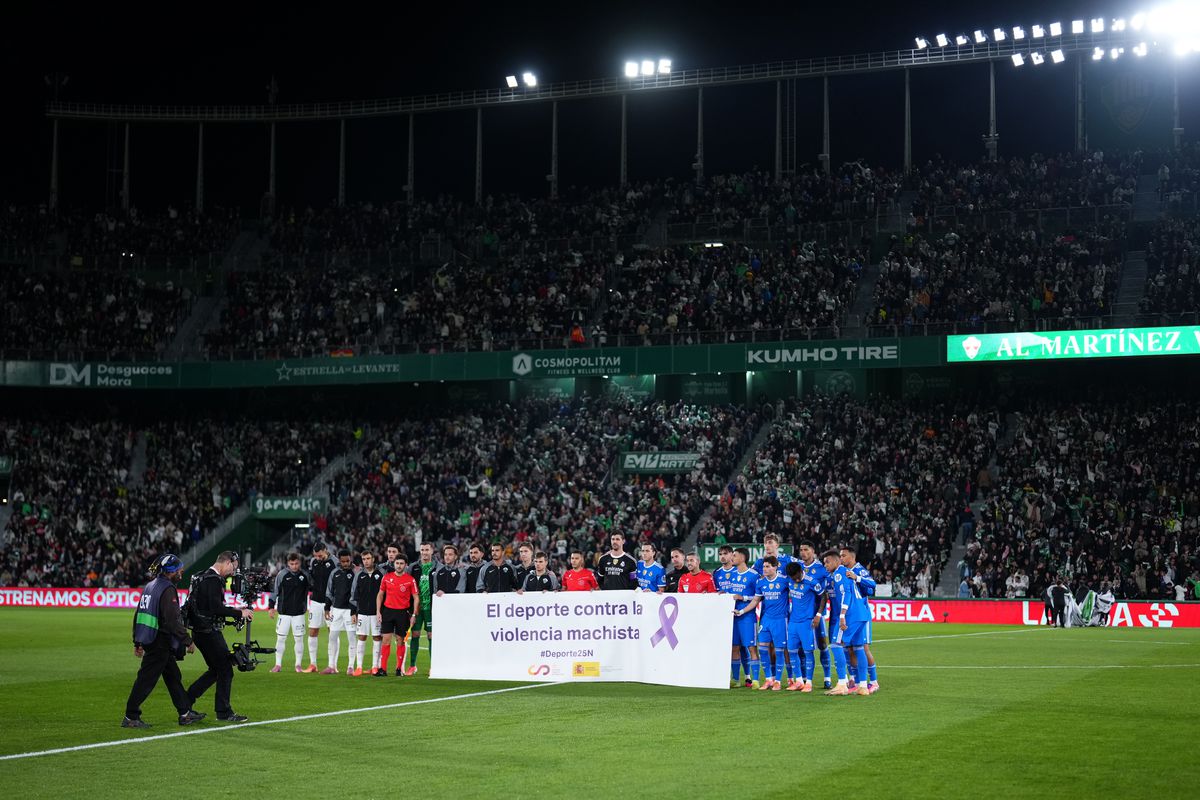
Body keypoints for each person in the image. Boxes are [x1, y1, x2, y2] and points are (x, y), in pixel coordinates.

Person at [122, 554, 203, 729]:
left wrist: (138, 641)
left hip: (151, 638)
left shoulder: (150, 586)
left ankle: (185, 713)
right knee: (146, 680)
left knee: (173, 676)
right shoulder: (167, 589)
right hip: (159, 640)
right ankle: (131, 716)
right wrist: (188, 640)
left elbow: (139, 614)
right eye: (179, 570)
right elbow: (172, 621)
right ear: (171, 571)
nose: (181, 573)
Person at [185, 550, 252, 722]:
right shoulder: (214, 580)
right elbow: (216, 608)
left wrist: (234, 610)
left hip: (199, 632)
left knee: (215, 670)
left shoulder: (200, 576)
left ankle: (186, 700)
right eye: (233, 568)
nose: (232, 573)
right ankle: (224, 712)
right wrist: (240, 613)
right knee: (225, 670)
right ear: (227, 562)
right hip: (209, 632)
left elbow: (205, 606)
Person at [831, 547, 872, 697]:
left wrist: (842, 615)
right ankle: (863, 686)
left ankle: (842, 684)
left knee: (836, 644)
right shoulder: (848, 572)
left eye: (827, 562)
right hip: (862, 613)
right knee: (859, 647)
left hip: (851, 614)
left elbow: (846, 594)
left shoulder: (840, 573)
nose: (825, 565)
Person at [744, 556, 788, 690]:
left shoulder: (784, 580)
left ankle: (778, 681)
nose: (764, 569)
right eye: (763, 566)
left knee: (779, 652)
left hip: (780, 620)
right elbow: (755, 600)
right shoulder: (760, 582)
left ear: (775, 567)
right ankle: (768, 679)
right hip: (765, 620)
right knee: (763, 650)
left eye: (768, 566)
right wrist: (742, 611)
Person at [841, 546, 879, 693]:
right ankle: (856, 681)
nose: (841, 558)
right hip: (850, 616)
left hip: (862, 615)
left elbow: (872, 584)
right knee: (849, 648)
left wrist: (857, 578)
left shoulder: (859, 570)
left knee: (864, 648)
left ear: (852, 557)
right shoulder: (843, 571)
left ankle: (874, 681)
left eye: (844, 556)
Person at [784, 560, 824, 693]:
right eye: (793, 578)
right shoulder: (789, 580)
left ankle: (809, 683)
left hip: (807, 622)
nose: (796, 580)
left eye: (797, 577)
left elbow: (824, 596)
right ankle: (799, 681)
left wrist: (818, 614)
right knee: (792, 651)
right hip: (793, 622)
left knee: (808, 652)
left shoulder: (812, 582)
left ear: (801, 571)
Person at [797, 541, 833, 690]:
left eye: (806, 550)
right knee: (801, 647)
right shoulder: (797, 566)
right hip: (801, 614)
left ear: (812, 551)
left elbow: (829, 586)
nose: (803, 552)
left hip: (818, 613)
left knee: (823, 645)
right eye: (801, 550)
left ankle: (827, 678)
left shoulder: (821, 568)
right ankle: (805, 678)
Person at [375, 555, 419, 677]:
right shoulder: (386, 577)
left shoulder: (410, 580)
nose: (399, 566)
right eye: (397, 563)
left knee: (400, 640)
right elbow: (380, 594)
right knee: (386, 639)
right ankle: (383, 669)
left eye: (401, 563)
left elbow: (416, 597)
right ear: (394, 564)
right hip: (388, 612)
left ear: (405, 565)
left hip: (403, 613)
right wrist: (378, 611)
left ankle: (399, 669)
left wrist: (414, 614)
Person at [268, 552, 311, 673]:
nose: (294, 566)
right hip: (284, 613)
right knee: (281, 638)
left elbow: (313, 589)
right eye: (292, 564)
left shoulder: (305, 575)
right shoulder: (282, 574)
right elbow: (275, 591)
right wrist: (271, 607)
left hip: (299, 613)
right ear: (288, 563)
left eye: (296, 563)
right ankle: (278, 665)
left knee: (299, 639)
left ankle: (298, 665)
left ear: (300, 563)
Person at [729, 547, 761, 687]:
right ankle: (736, 680)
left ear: (742, 558)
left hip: (747, 617)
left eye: (734, 555)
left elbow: (759, 597)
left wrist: (744, 597)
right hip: (733, 616)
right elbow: (731, 594)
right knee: (734, 647)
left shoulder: (754, 575)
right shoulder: (732, 575)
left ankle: (755, 680)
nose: (732, 558)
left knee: (752, 648)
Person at [323, 549, 357, 674]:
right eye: (343, 561)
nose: (346, 563)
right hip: (336, 610)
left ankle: (351, 667)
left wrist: (355, 611)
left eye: (347, 561)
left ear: (350, 559)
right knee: (332, 636)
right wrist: (327, 607)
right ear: (339, 561)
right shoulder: (334, 573)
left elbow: (357, 593)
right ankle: (331, 666)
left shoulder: (356, 573)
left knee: (351, 638)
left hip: (350, 611)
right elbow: (329, 591)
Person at [351, 551, 384, 676]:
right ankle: (359, 667)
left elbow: (384, 593)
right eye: (364, 559)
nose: (366, 561)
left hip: (376, 613)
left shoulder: (381, 573)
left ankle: (375, 666)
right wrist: (353, 612)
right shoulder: (359, 575)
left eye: (368, 558)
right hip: (362, 612)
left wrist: (382, 611)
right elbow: (354, 594)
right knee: (362, 636)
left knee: (377, 637)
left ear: (373, 559)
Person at [305, 543, 336, 674]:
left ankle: (332, 665)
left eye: (320, 555)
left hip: (331, 603)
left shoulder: (335, 562)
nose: (318, 558)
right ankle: (313, 664)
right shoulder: (314, 562)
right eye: (316, 556)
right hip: (316, 601)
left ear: (325, 551)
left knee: (332, 632)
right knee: (312, 631)